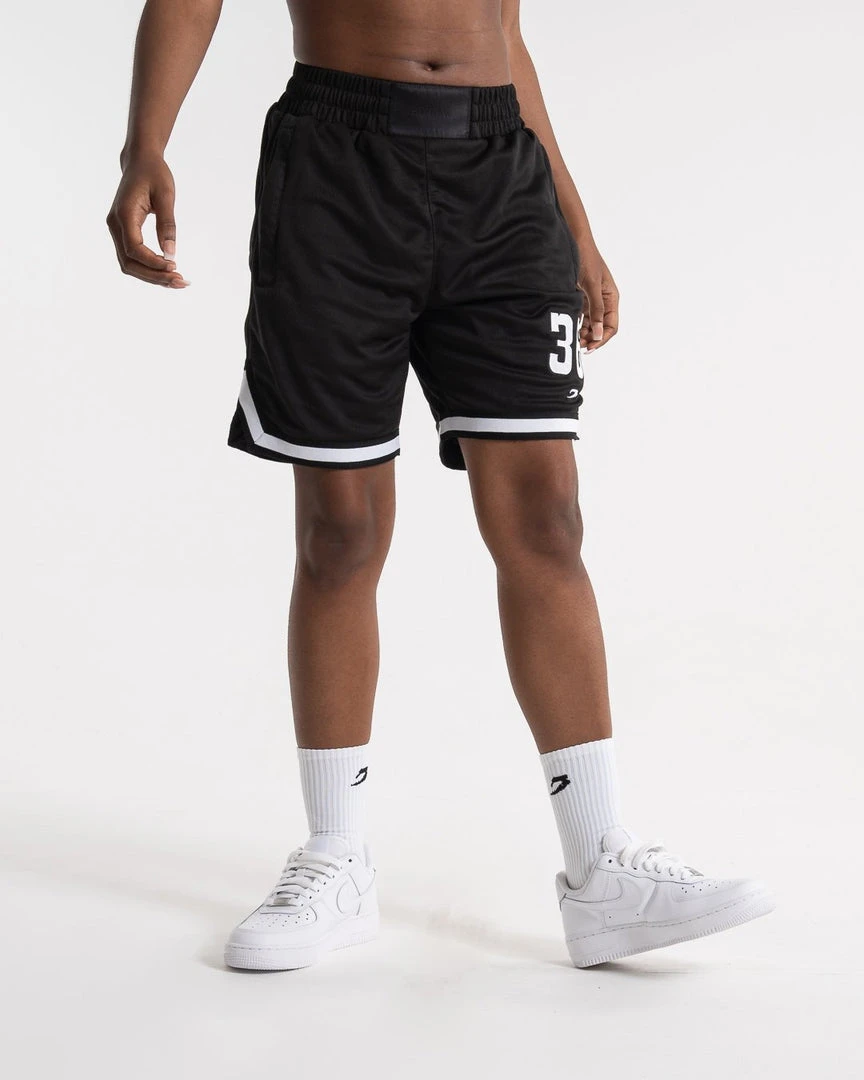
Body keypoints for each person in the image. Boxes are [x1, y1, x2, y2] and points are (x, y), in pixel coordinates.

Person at [107, 0, 773, 971]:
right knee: (341, 530)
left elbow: (507, 28)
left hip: (502, 175)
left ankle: (603, 866)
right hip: (336, 166)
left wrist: (575, 222)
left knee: (547, 518)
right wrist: (145, 144)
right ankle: (336, 856)